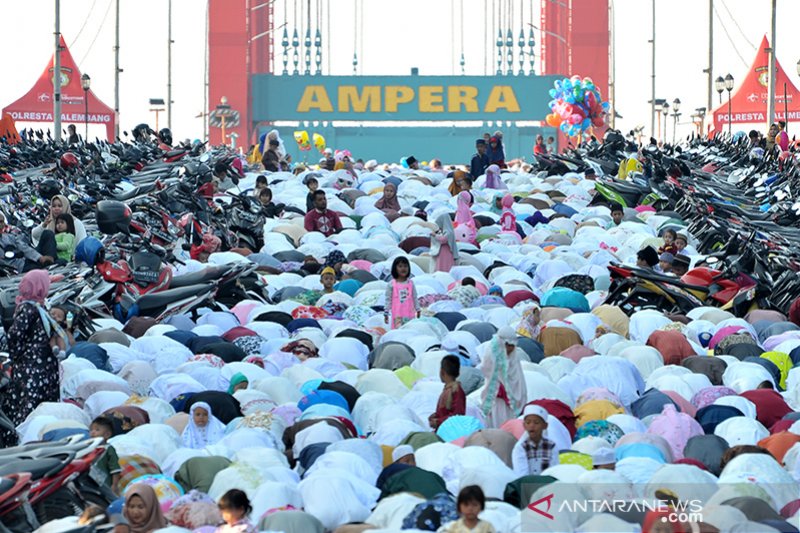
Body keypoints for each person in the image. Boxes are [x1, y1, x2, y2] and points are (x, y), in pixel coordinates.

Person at [0, 271, 57, 445]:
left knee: (27, 407)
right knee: (34, 408)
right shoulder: (35, 307)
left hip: (32, 369)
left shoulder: (30, 307)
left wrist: (17, 358)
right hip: (41, 369)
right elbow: (17, 336)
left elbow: (14, 338)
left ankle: (25, 441)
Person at [480, 326, 527, 428]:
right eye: (508, 345)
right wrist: (500, 385)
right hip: (496, 398)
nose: (510, 348)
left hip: (511, 402)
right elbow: (487, 370)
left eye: (512, 345)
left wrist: (510, 391)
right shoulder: (492, 353)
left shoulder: (514, 357)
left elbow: (518, 379)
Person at [511, 404, 559, 476]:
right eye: (528, 422)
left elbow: (554, 470)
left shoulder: (551, 445)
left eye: (536, 423)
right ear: (524, 425)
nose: (532, 425)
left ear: (545, 426)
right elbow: (521, 474)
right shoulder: (520, 447)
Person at [428, 355, 466, 430]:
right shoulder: (448, 389)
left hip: (450, 432)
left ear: (442, 371)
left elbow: (457, 416)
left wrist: (438, 422)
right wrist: (435, 416)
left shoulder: (456, 390)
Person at [384, 256, 419, 329]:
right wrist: (386, 312)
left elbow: (414, 297)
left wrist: (418, 309)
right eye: (400, 266)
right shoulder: (391, 284)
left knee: (409, 329)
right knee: (398, 330)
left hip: (409, 313)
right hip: (397, 315)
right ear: (395, 268)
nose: (403, 268)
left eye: (405, 266)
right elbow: (388, 299)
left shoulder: (410, 283)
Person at [89, 416, 121, 495]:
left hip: (105, 483)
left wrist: (114, 485)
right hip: (90, 483)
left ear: (107, 434)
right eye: (91, 430)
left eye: (97, 430)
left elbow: (115, 469)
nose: (93, 432)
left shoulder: (108, 449)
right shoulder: (89, 448)